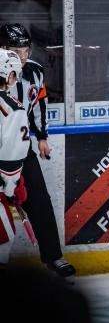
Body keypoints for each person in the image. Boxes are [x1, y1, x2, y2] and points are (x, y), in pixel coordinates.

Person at [0, 26, 76, 278]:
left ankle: (53, 256)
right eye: (14, 51)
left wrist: (41, 136)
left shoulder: (35, 73)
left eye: (25, 50)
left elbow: (38, 105)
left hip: (20, 149)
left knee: (40, 201)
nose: (21, 57)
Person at [0, 48, 30, 267]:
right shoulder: (13, 109)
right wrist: (11, 188)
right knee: (4, 240)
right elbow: (12, 155)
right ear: (9, 76)